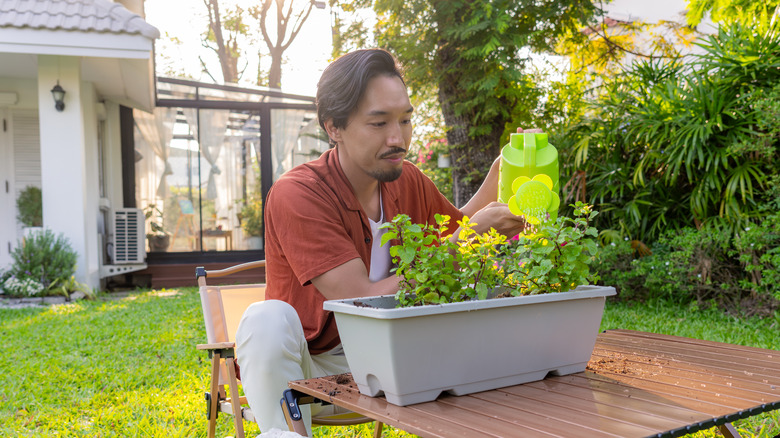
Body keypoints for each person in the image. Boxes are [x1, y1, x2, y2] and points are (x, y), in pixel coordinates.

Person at [235, 48, 527, 434]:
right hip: (314, 362)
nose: (398, 138)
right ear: (333, 127)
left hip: (393, 357)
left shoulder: (406, 178)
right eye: (379, 123)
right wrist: (469, 238)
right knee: (266, 318)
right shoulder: (299, 193)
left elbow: (458, 227)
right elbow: (358, 298)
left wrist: (501, 173)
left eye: (406, 120)